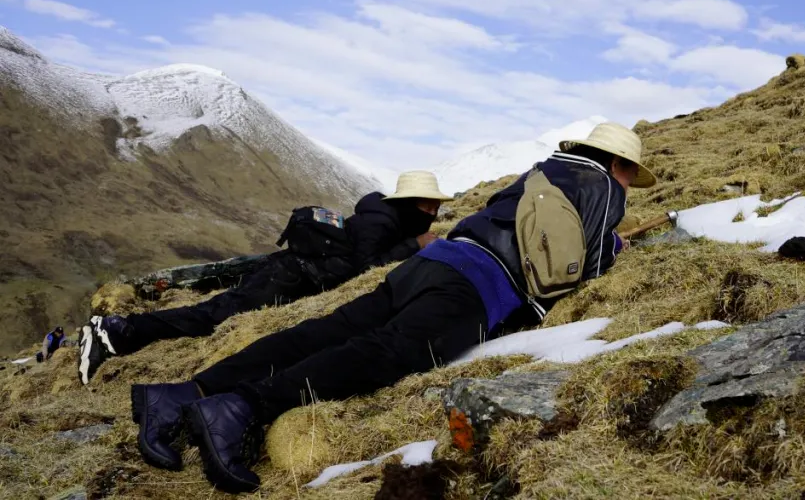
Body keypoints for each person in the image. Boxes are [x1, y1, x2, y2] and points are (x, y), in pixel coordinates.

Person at [129, 122, 655, 493]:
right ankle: (240, 408)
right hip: (477, 286)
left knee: (329, 329)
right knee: (387, 352)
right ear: (618, 163)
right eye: (631, 172)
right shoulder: (605, 186)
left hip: (435, 263)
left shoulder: (541, 171)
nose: (629, 182)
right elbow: (578, 259)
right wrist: (614, 247)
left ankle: (183, 394)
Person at [76, 171, 450, 386]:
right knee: (212, 316)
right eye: (426, 204)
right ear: (407, 201)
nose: (433, 210)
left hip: (289, 272)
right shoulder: (383, 221)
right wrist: (414, 244)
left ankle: (120, 333)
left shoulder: (387, 218)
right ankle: (120, 329)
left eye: (436, 205)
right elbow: (361, 266)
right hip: (287, 278)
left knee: (214, 312)